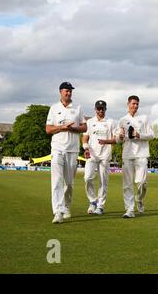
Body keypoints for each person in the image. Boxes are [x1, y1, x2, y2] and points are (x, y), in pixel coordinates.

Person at [46, 81, 87, 224]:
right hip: (57, 148)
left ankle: (67, 206)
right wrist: (62, 127)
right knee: (56, 181)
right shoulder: (54, 108)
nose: (68, 93)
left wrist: (72, 129)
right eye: (66, 91)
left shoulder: (78, 108)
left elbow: (84, 128)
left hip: (72, 149)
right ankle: (57, 211)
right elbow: (48, 129)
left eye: (70, 91)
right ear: (60, 92)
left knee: (69, 183)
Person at [118, 95, 154, 218]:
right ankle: (129, 210)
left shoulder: (144, 118)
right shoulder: (122, 120)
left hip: (142, 154)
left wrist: (139, 135)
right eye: (133, 103)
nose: (135, 106)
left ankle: (139, 199)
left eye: (137, 104)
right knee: (127, 183)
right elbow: (118, 139)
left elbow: (151, 135)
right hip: (127, 154)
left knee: (142, 182)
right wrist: (120, 136)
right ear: (128, 104)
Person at [82, 100, 118, 215]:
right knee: (87, 178)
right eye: (99, 108)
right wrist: (86, 148)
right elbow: (84, 138)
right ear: (95, 109)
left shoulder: (111, 122)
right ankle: (93, 201)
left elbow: (116, 139)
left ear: (105, 109)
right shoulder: (90, 122)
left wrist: (106, 141)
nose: (100, 111)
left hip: (105, 155)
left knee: (103, 181)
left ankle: (100, 205)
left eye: (102, 109)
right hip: (92, 154)